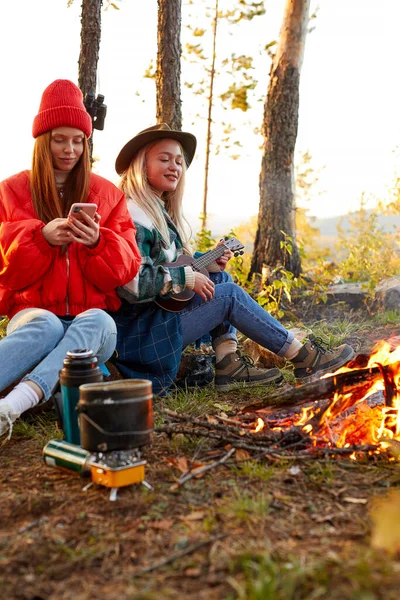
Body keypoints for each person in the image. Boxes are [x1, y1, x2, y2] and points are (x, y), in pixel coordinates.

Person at [112, 123, 355, 395]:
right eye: (164, 159)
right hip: (142, 337)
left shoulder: (156, 209)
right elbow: (133, 285)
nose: (174, 167)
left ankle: (229, 363)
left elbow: (170, 268)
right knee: (228, 295)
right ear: (141, 165)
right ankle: (303, 357)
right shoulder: (134, 214)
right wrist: (188, 276)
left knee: (219, 278)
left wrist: (205, 263)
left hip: (155, 322)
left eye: (179, 161)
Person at [0, 79, 141, 437]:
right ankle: (23, 400)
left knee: (99, 321)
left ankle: (12, 405)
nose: (70, 149)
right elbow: (7, 272)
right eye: (60, 139)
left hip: (92, 329)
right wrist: (39, 237)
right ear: (43, 140)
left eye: (78, 140)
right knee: (47, 324)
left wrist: (98, 242)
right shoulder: (11, 191)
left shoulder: (106, 194)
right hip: (33, 319)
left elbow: (127, 269)